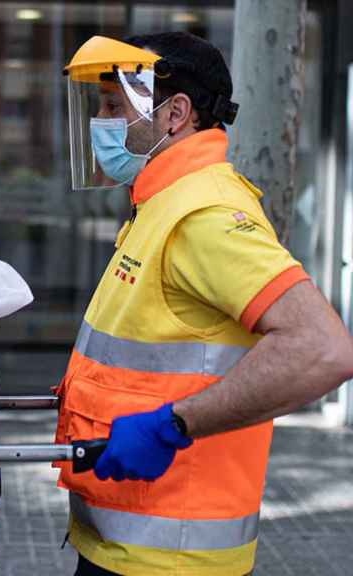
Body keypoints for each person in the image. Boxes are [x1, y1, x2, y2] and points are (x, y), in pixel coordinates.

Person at [55, 31, 353, 576]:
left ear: (176, 114)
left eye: (114, 106)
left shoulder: (204, 215)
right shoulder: (163, 202)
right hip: (127, 544)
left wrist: (173, 425)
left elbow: (323, 349)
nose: (101, 122)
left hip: (170, 558)